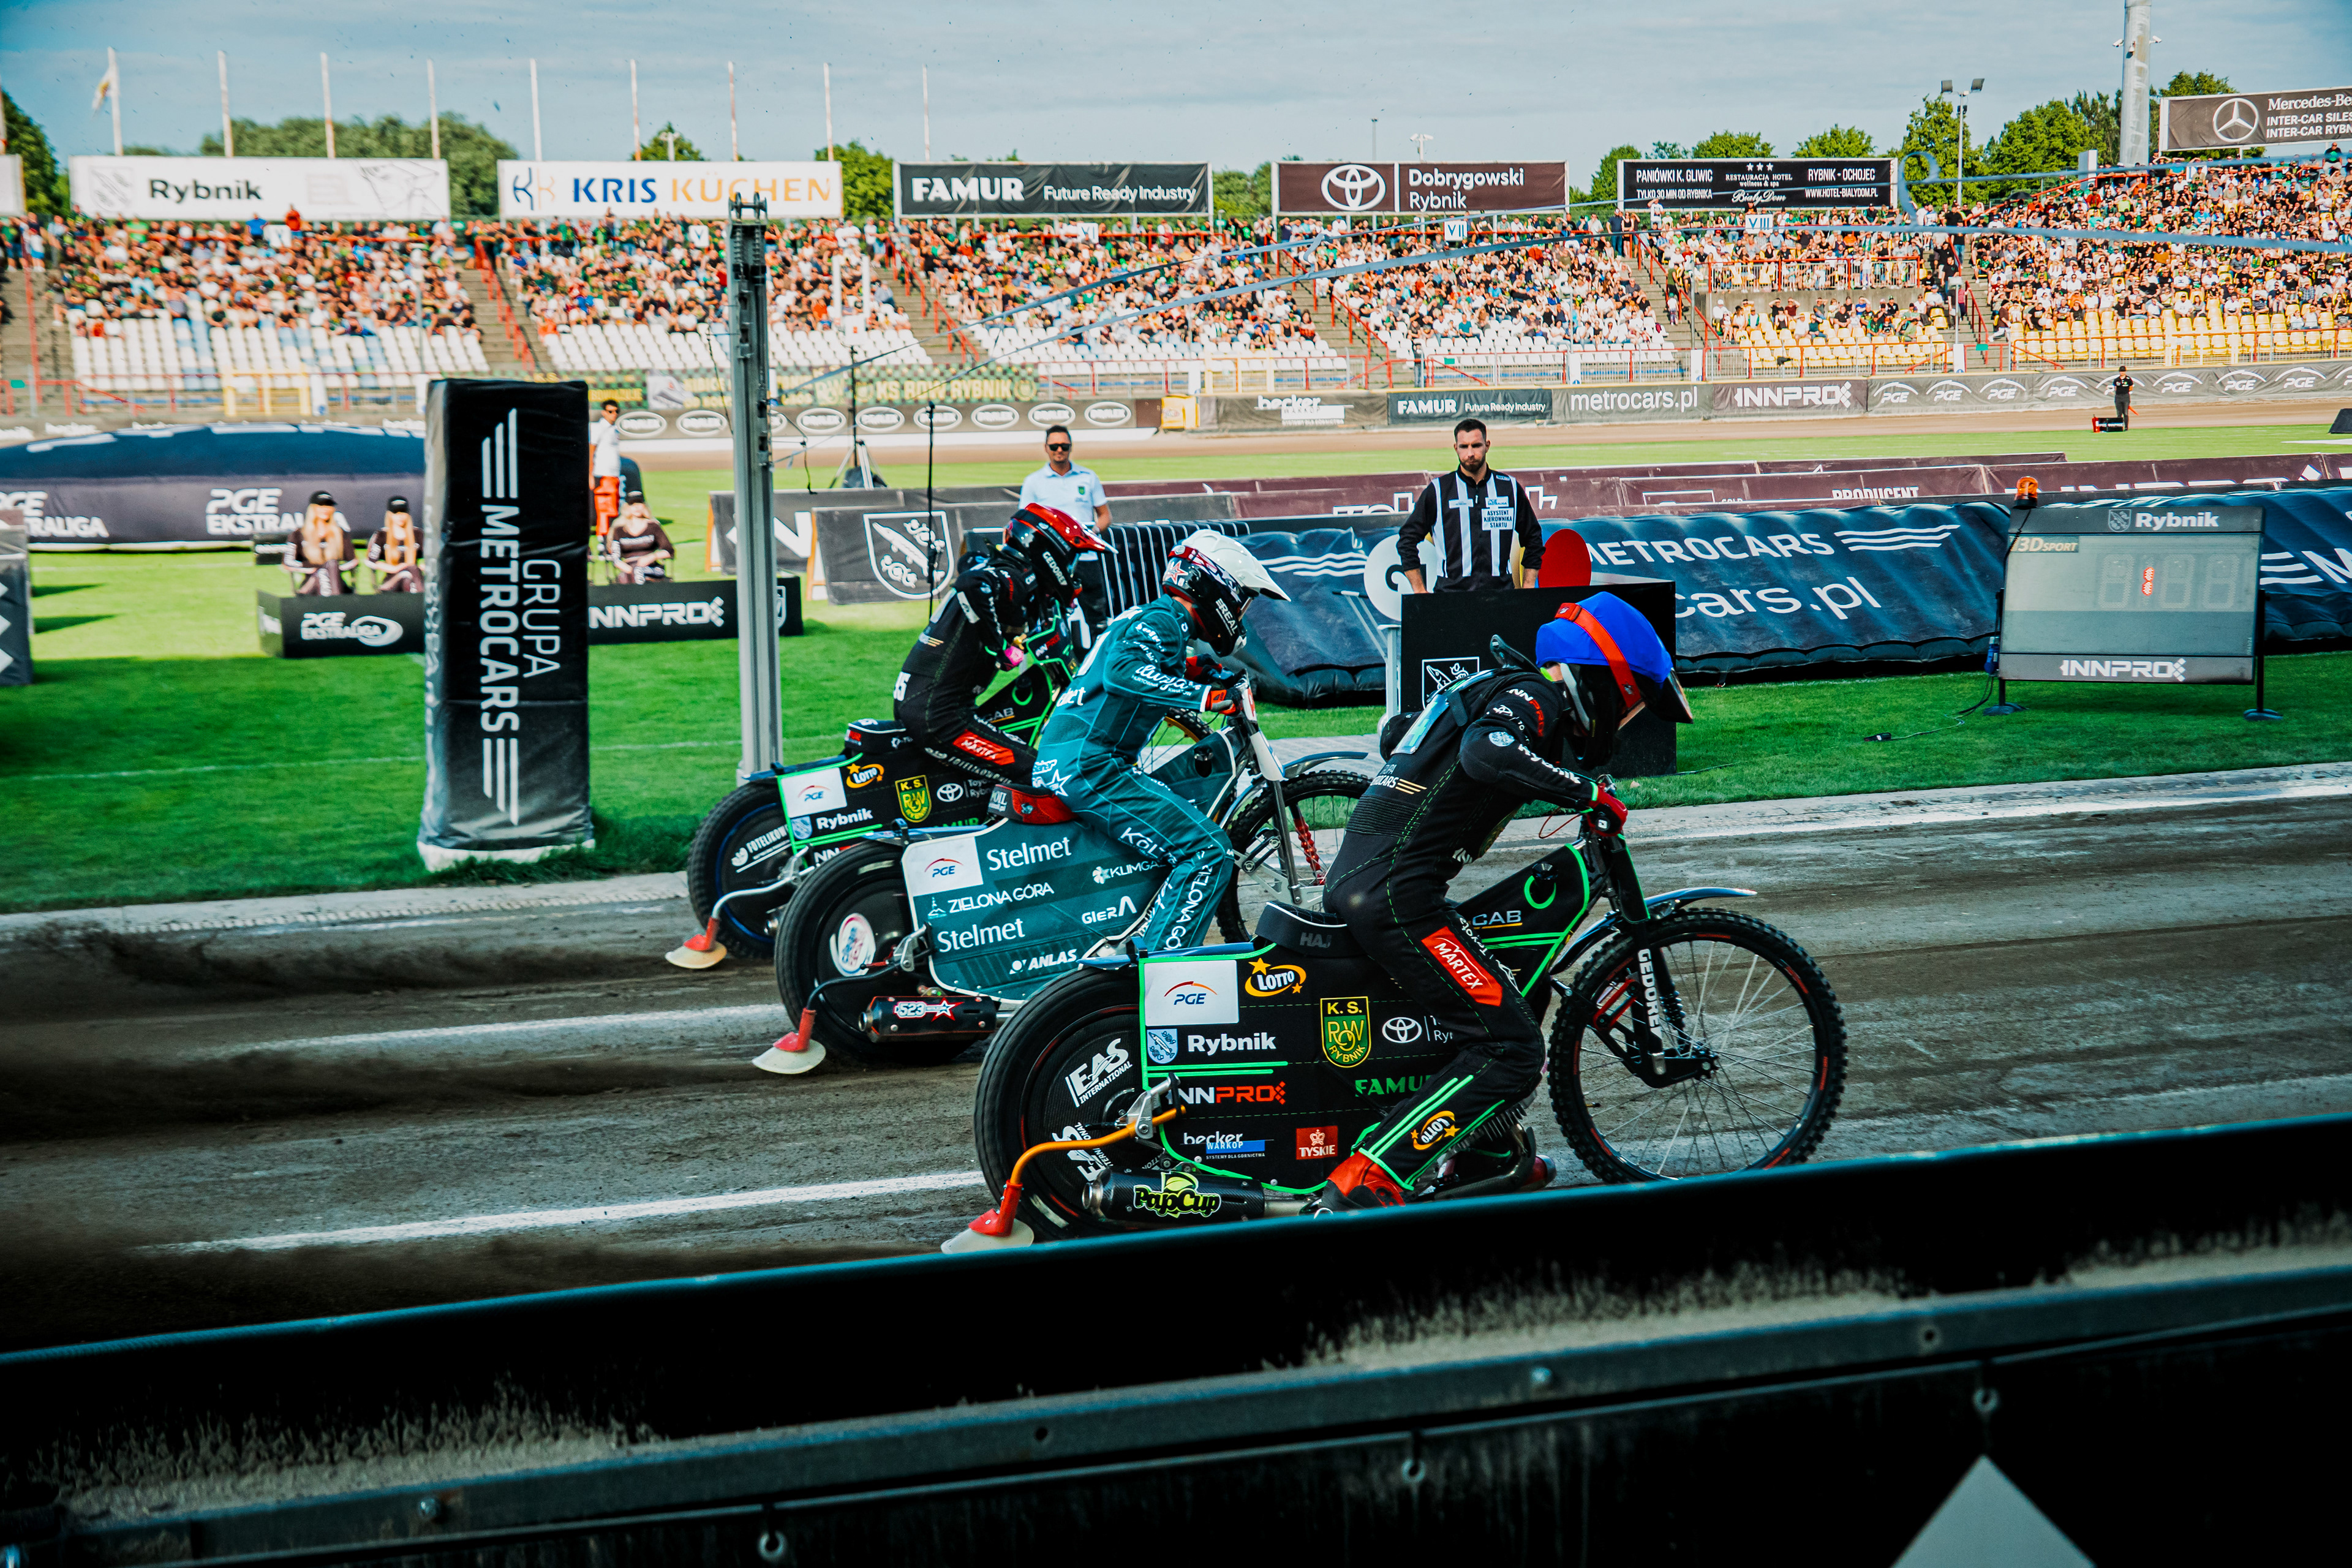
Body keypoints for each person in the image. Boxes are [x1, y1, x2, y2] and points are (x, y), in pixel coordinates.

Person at [1307, 592, 1694, 1212]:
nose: (1622, 725)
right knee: (1512, 1048)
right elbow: (1483, 752)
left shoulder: (1502, 687)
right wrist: (1586, 793)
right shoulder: (1533, 695)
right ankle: (1368, 1177)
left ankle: (1485, 1157)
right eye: (1629, 707)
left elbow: (1401, 736)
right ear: (1602, 681)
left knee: (1520, 984)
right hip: (1396, 897)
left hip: (1383, 888)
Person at [1032, 531, 1288, 954]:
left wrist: (1202, 670)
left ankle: (1145, 937)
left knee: (1182, 832)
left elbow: (1151, 660)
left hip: (1074, 761)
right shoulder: (1163, 622)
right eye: (1242, 600)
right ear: (1216, 586)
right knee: (1207, 851)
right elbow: (1122, 672)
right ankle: (1163, 969)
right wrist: (1206, 697)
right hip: (1091, 766)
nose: (1241, 613)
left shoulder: (1157, 619)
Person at [895, 503, 1107, 792]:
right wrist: (1000, 648)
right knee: (1042, 774)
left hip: (928, 706)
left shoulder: (1005, 570)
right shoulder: (1013, 578)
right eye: (1071, 559)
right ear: (1051, 554)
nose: (1073, 570)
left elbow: (969, 562)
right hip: (941, 717)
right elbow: (971, 584)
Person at [1396, 418, 1544, 594]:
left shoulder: (1508, 488)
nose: (1470, 453)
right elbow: (1407, 539)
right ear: (1456, 448)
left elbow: (1533, 537)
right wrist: (1419, 590)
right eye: (1464, 447)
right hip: (1451, 598)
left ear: (1487, 446)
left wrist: (1528, 586)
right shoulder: (1439, 490)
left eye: (1476, 446)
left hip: (1500, 597)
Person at [1016, 424, 1112, 531]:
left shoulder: (1089, 477)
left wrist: (1093, 532)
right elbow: (1024, 519)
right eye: (1054, 446)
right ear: (1046, 448)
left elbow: (1105, 516)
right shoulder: (1032, 481)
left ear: (1071, 447)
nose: (1060, 450)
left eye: (1064, 446)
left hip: (1083, 540)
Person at [285, 491, 352, 596]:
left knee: (331, 565)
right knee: (322, 572)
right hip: (312, 583)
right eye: (321, 505)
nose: (325, 509)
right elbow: (288, 562)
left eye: (329, 505)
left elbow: (353, 560)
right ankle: (333, 600)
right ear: (312, 508)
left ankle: (330, 598)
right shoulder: (298, 534)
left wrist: (333, 568)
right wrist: (317, 568)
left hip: (337, 583)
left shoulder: (341, 533)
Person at [608, 489, 674, 584]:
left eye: (639, 503)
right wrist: (629, 569)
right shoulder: (619, 530)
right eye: (632, 504)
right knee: (632, 574)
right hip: (628, 570)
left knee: (639, 571)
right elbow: (615, 557)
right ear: (627, 507)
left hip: (652, 568)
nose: (637, 507)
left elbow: (669, 551)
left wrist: (651, 557)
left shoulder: (653, 526)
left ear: (644, 506)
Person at [366, 496, 421, 593]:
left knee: (409, 573)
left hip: (414, 577)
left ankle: (417, 597)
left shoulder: (418, 534)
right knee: (406, 572)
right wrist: (395, 569)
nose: (400, 516)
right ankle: (420, 596)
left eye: (403, 512)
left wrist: (415, 568)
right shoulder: (382, 535)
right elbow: (371, 561)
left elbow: (431, 560)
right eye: (396, 513)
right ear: (390, 515)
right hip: (391, 582)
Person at [588, 400, 624, 542]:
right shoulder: (599, 428)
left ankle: (609, 537)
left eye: (616, 411)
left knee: (613, 508)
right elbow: (591, 451)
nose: (614, 414)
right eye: (610, 411)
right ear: (604, 413)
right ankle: (603, 539)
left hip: (613, 474)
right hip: (603, 474)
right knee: (605, 509)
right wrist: (590, 475)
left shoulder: (614, 429)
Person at [2113, 363, 2135, 428]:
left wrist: (2125, 391)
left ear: (2125, 372)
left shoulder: (2128, 379)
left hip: (2125, 396)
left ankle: (2126, 427)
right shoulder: (2117, 380)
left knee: (2125, 413)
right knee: (2119, 413)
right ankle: (2119, 427)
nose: (2122, 373)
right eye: (2121, 371)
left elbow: (2131, 388)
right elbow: (2116, 388)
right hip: (2118, 397)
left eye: (2123, 371)